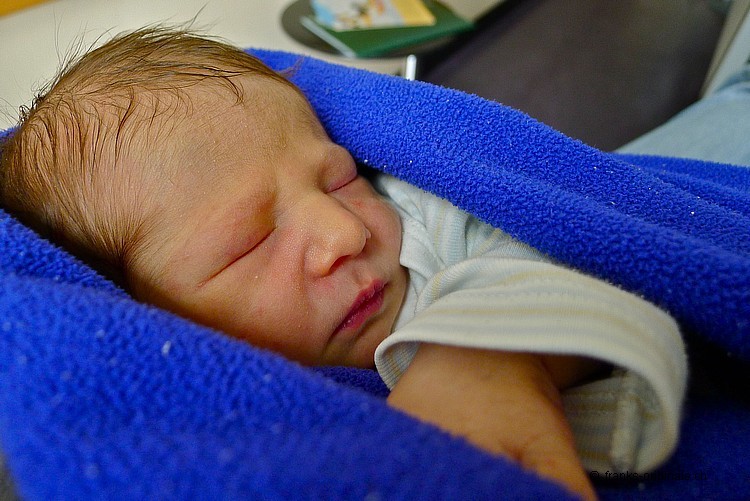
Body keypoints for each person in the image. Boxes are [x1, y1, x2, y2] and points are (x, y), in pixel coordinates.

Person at [0, 28, 689, 501]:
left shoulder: (427, 224)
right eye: (249, 242)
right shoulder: (200, 416)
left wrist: (489, 354)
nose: (344, 231)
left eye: (337, 179)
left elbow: (578, 258)